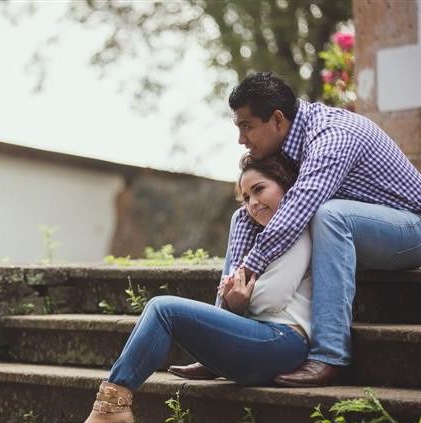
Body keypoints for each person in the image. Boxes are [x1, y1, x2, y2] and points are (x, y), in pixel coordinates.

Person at [169, 72, 421, 387]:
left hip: (410, 229)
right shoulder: (291, 142)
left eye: (246, 127)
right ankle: (223, 336)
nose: (241, 139)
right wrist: (231, 299)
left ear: (277, 120)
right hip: (362, 234)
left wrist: (249, 268)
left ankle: (330, 356)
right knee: (246, 213)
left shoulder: (332, 136)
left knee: (330, 215)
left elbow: (298, 209)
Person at [62, 153, 310, 423]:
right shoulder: (260, 236)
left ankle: (111, 408)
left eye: (259, 189)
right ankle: (112, 407)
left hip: (283, 342)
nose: (252, 203)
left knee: (164, 308)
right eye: (245, 197)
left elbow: (272, 298)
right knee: (161, 309)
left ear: (284, 185)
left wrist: (239, 300)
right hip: (258, 340)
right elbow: (237, 295)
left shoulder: (297, 231)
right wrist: (235, 301)